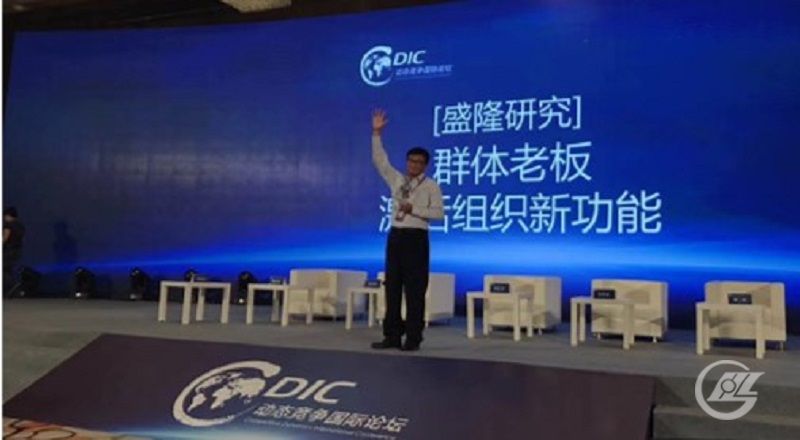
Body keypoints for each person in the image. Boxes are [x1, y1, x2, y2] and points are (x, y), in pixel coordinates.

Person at [370, 109, 444, 351]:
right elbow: (380, 161)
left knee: (415, 290)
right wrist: (377, 133)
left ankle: (413, 337)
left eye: (419, 162)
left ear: (425, 165)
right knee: (392, 288)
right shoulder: (397, 180)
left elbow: (439, 214)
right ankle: (391, 335)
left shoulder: (431, 186)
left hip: (416, 238)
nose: (414, 165)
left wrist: (415, 209)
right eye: (411, 161)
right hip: (396, 236)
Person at [3, 207, 25, 296]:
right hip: (18, 249)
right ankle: (14, 289)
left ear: (8, 215)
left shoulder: (8, 225)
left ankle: (12, 285)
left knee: (4, 268)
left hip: (9, 249)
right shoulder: (20, 225)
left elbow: (5, 237)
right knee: (9, 268)